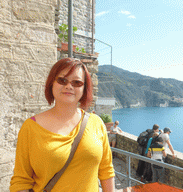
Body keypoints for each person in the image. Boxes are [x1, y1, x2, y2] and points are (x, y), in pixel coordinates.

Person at [9, 58, 115, 192]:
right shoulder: (31, 127)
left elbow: (106, 171)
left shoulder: (96, 123)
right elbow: (21, 180)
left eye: (77, 82)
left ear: (84, 88)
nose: (69, 86)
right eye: (62, 80)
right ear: (51, 83)